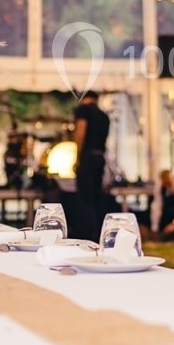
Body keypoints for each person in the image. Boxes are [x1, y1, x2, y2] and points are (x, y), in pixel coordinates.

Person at [72, 90, 111, 240]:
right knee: (96, 195)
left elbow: (80, 133)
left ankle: (86, 232)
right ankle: (98, 231)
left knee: (84, 196)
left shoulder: (83, 111)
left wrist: (77, 156)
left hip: (87, 156)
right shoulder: (104, 116)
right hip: (100, 157)